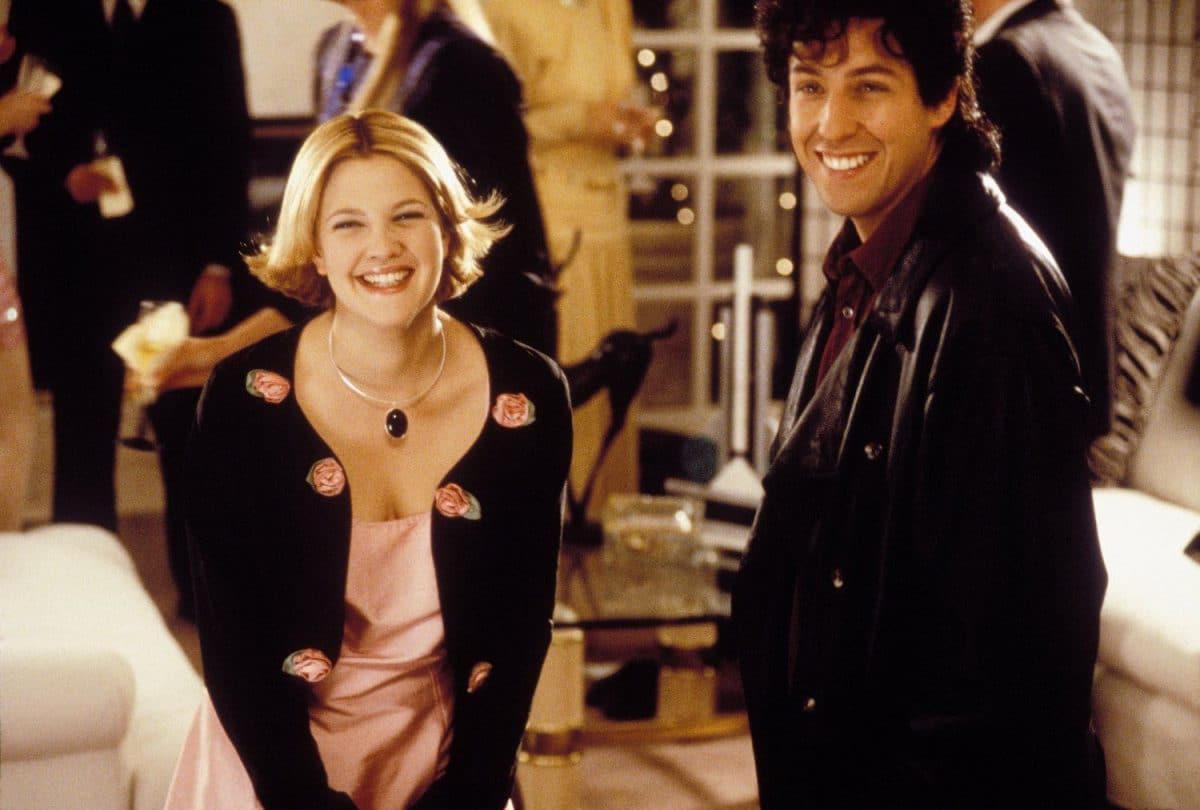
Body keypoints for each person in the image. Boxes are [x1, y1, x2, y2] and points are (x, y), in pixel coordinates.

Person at [732, 1, 1108, 807]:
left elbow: (1011, 663)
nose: (831, 125)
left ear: (943, 98)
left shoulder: (992, 305)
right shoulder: (864, 263)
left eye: (869, 86)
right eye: (810, 86)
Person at [165, 110, 572, 809]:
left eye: (407, 216)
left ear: (447, 229)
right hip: (269, 771)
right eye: (348, 224)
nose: (382, 248)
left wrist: (470, 794)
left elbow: (521, 624)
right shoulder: (241, 400)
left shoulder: (529, 394)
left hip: (450, 770)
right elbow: (235, 647)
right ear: (316, 249)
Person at [1, 0, 251, 560]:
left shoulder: (205, 17)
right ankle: (83, 578)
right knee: (81, 438)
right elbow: (13, 129)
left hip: (174, 264)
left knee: (186, 434)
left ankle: (197, 587)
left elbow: (229, 141)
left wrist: (219, 265)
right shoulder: (45, 11)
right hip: (76, 268)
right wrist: (63, 173)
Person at [486, 0, 657, 520]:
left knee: (613, 394)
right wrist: (582, 120)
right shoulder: (500, 10)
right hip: (551, 219)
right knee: (567, 390)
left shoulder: (611, 6)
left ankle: (605, 532)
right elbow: (496, 126)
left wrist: (627, 123)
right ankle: (557, 543)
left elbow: (612, 98)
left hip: (608, 214)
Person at [314, 0, 557, 357]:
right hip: (371, 323)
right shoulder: (334, 50)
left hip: (459, 332)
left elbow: (497, 240)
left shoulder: (462, 65)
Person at [971, 0, 1135, 440]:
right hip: (1087, 365)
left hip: (1014, 383)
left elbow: (972, 237)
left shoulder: (1003, 61)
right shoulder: (1095, 49)